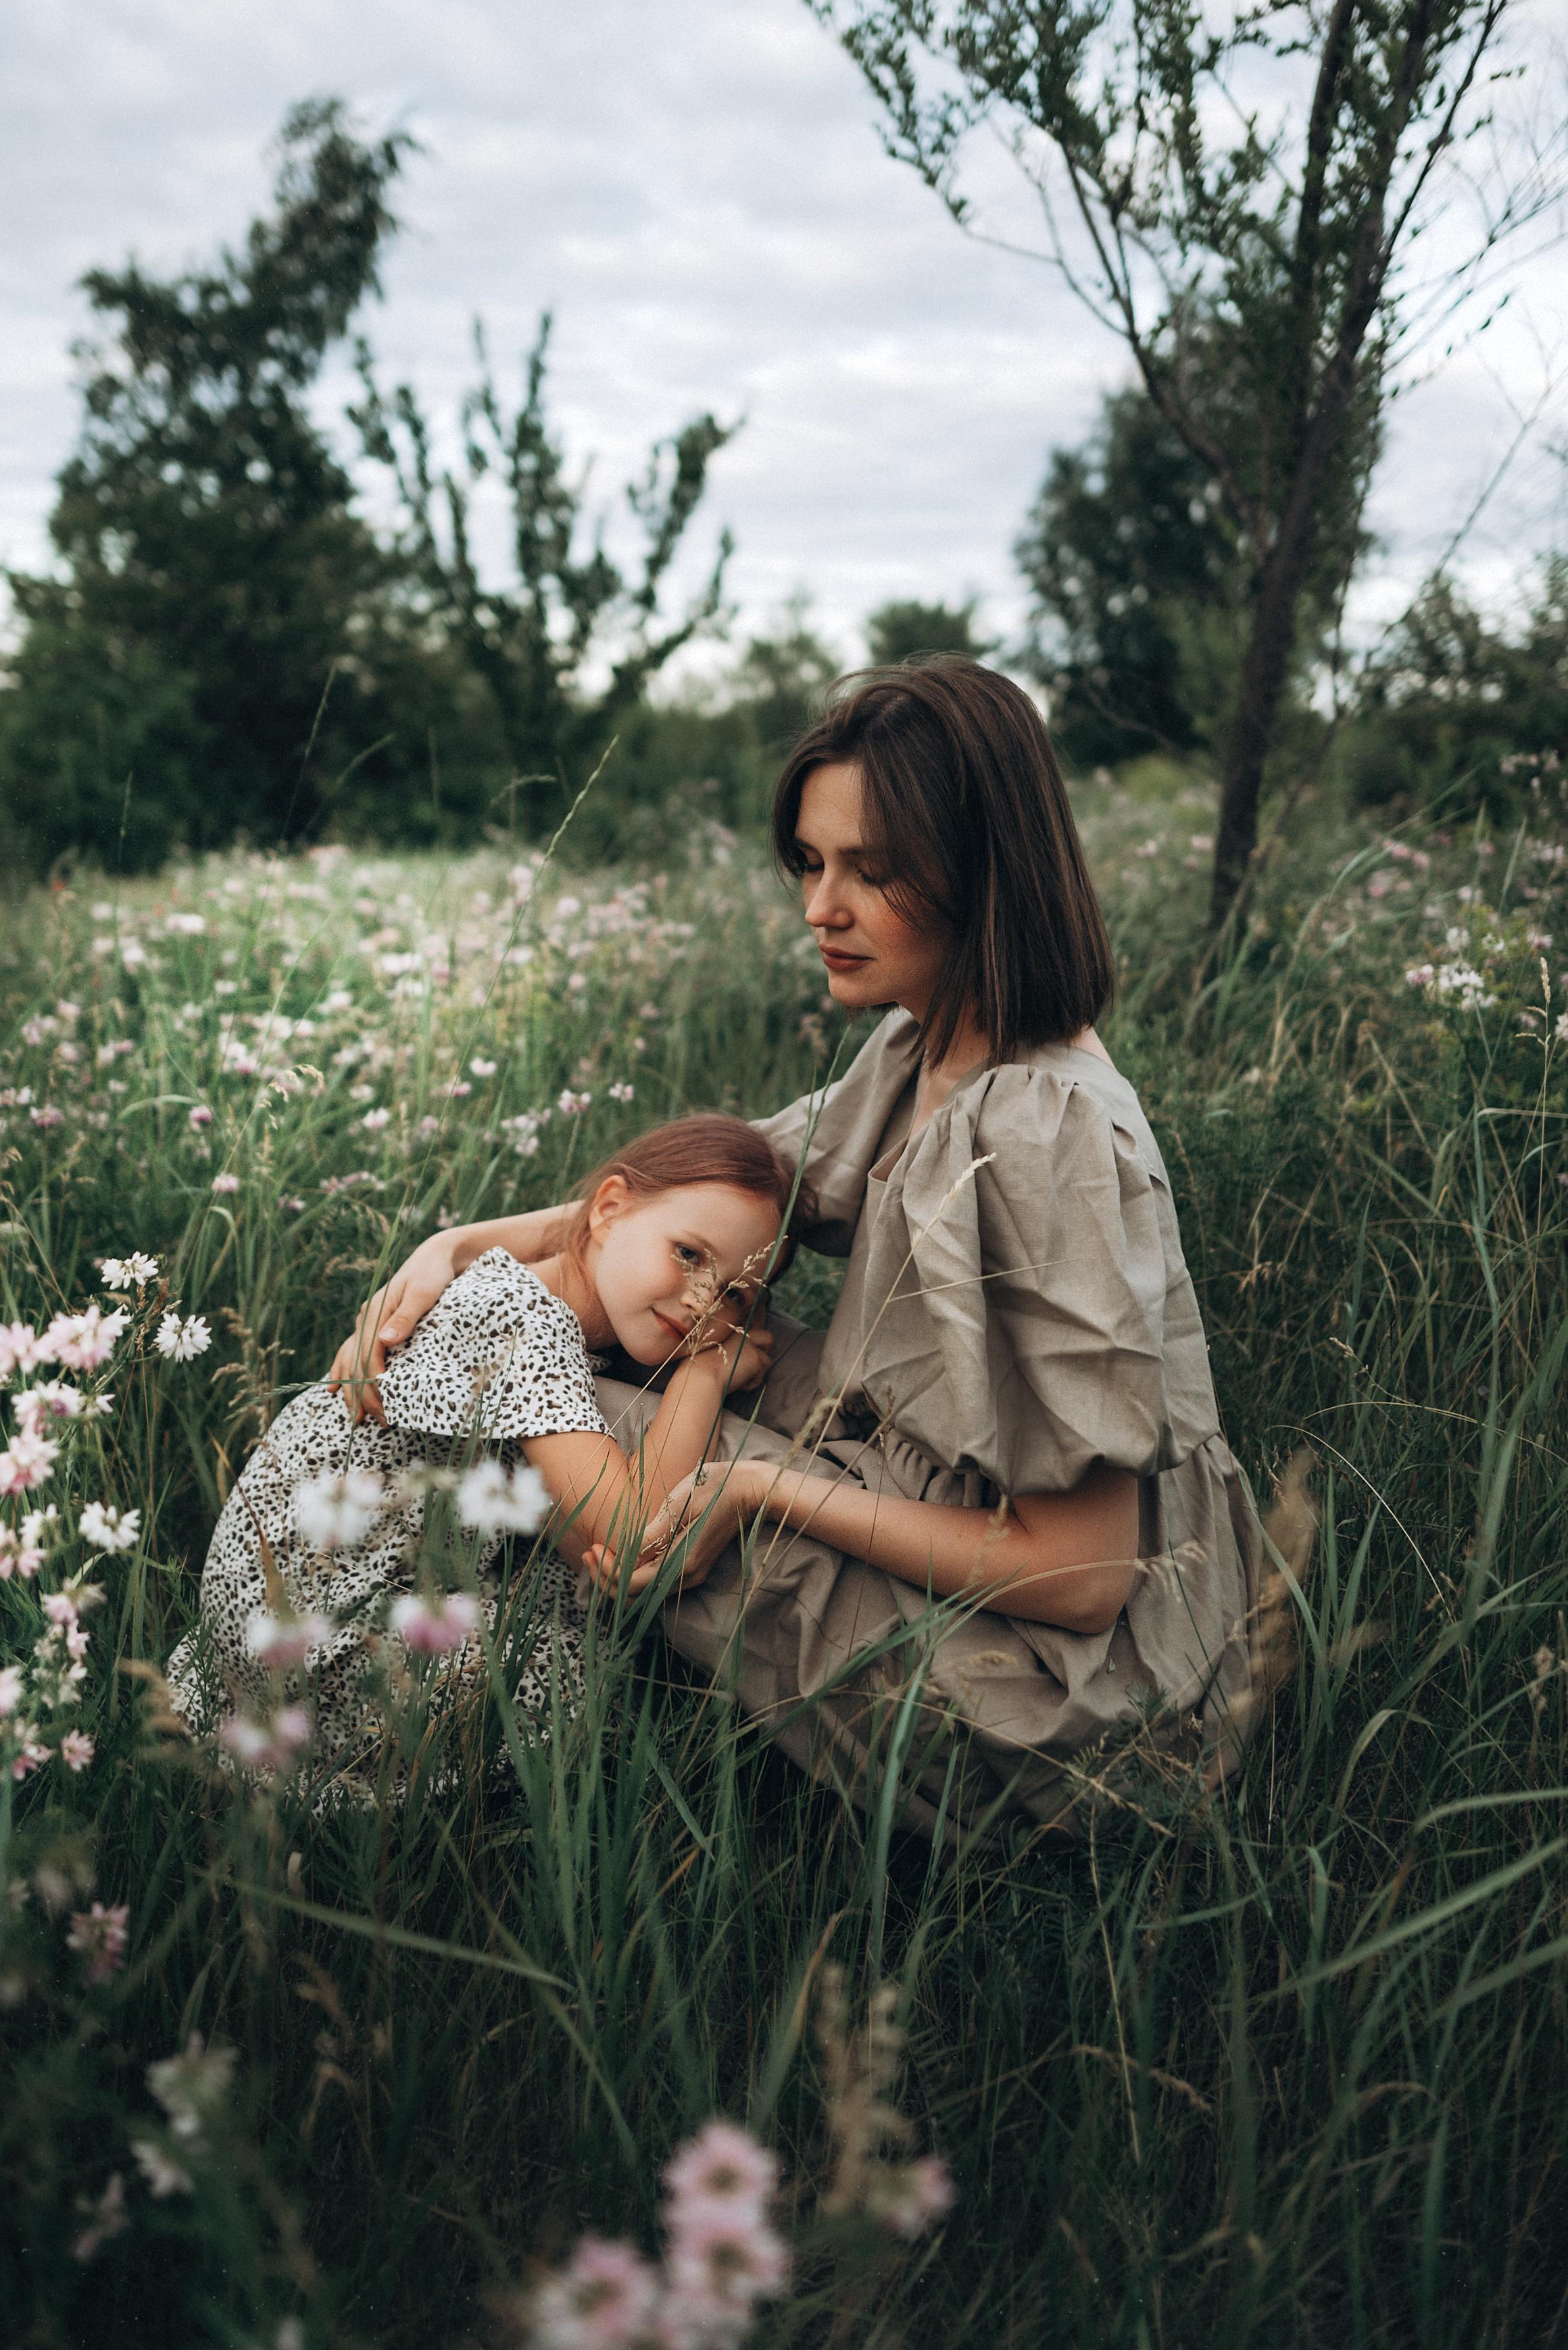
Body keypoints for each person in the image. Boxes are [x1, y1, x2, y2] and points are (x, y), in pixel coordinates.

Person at [326, 658, 1264, 1834]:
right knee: (602, 1321)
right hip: (943, 1488)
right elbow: (700, 1208)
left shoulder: (1044, 1130)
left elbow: (1082, 1577)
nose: (823, 905)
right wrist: (463, 1241)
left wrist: (761, 1486)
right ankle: (446, 1657)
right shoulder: (927, 1043)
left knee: (516, 1364)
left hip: (1077, 1696)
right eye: (813, 863)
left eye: (873, 870)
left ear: (986, 871)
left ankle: (395, 1715)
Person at [169, 1115, 795, 1788]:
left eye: (733, 1294)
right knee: (593, 1680)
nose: (701, 1301)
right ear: (609, 1210)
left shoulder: (531, 1289)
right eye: (688, 1254)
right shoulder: (519, 1316)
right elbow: (638, 1531)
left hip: (263, 1612)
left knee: (562, 1576)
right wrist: (704, 1376)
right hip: (315, 1639)